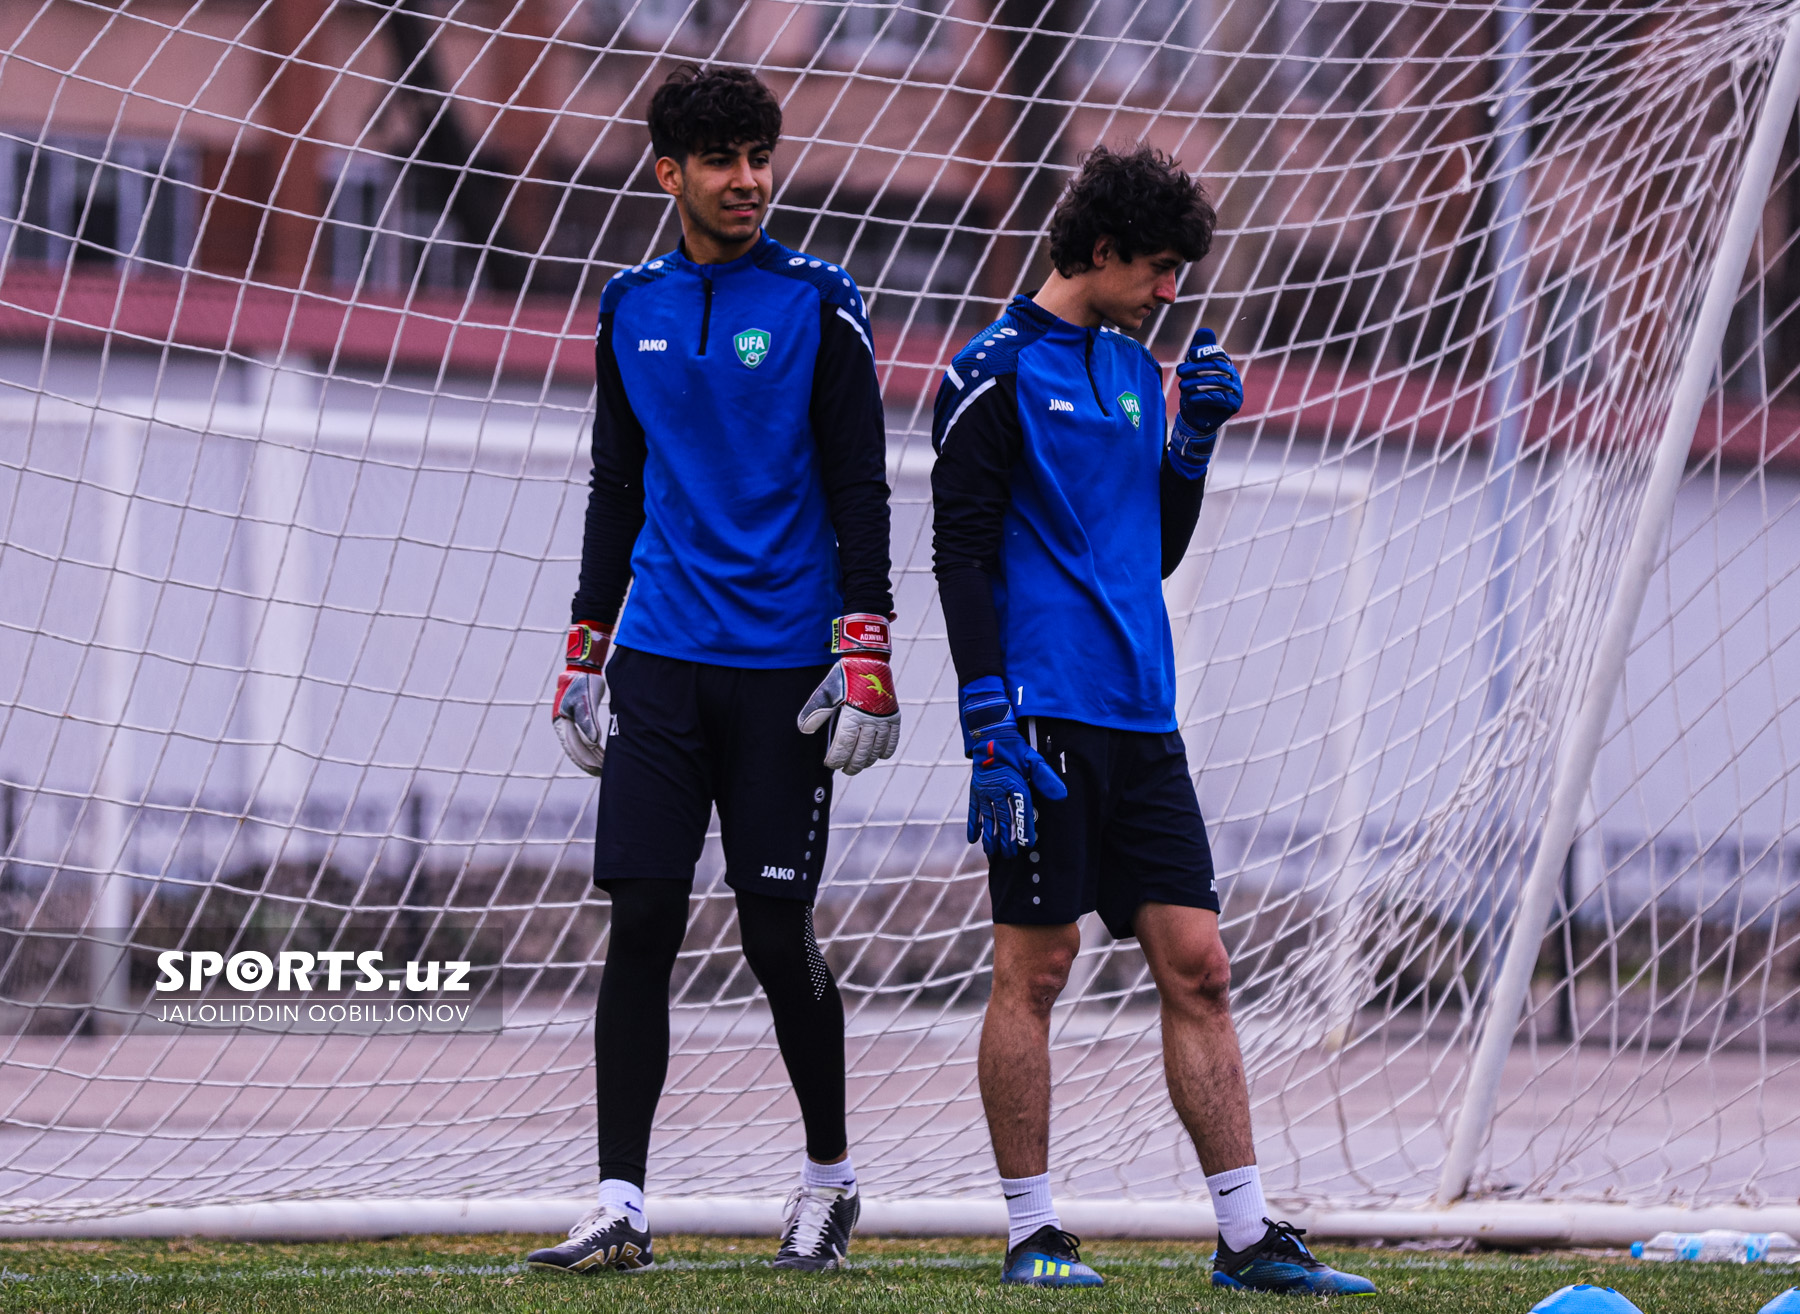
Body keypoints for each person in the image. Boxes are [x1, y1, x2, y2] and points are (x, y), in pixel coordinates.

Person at [929, 144, 1376, 1296]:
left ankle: (1245, 1238)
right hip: (1042, 717)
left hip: (1143, 718)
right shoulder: (989, 371)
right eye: (1161, 268)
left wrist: (1192, 443)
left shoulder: (1135, 372)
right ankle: (1032, 1232)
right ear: (1104, 249)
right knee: (1037, 968)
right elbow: (960, 554)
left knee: (1202, 965)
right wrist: (987, 719)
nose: (1173, 291)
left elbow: (1152, 546)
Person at [532, 63, 900, 1275]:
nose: (749, 181)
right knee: (640, 917)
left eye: (761, 156)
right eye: (723, 162)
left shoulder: (820, 300)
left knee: (773, 929)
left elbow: (858, 483)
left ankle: (829, 1184)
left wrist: (868, 648)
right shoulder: (626, 302)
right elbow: (615, 487)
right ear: (669, 173)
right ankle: (620, 1202)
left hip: (784, 667)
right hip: (660, 664)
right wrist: (587, 647)